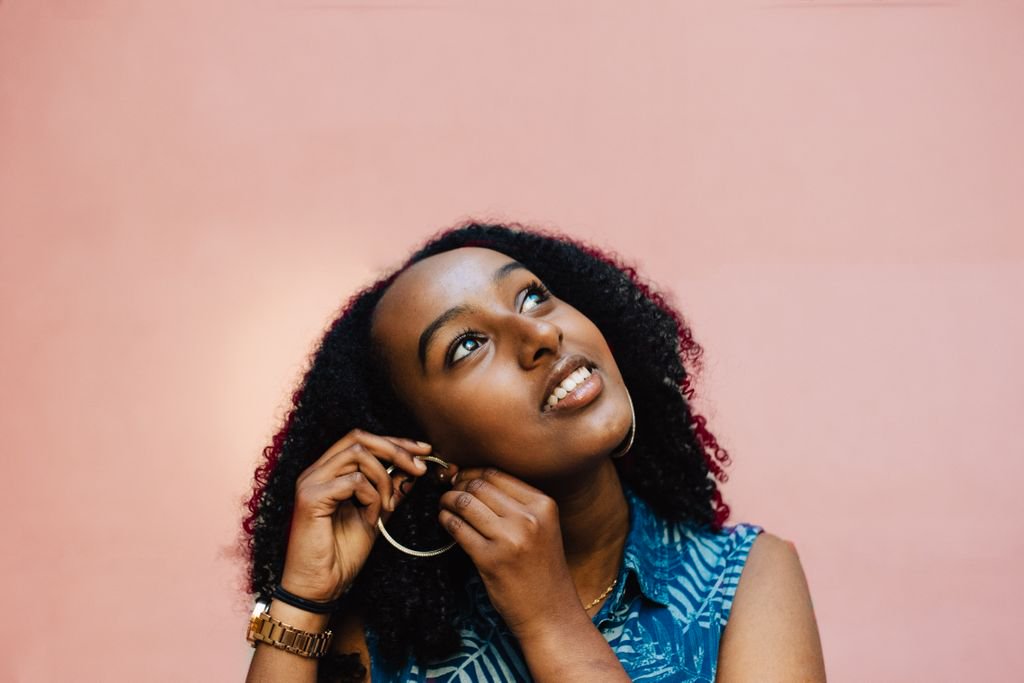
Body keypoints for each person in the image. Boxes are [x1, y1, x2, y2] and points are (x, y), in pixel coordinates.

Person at [242, 222, 826, 682]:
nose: (541, 335)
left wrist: (549, 619)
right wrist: (301, 600)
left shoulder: (742, 579)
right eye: (467, 345)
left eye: (531, 297)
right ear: (418, 445)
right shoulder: (385, 636)